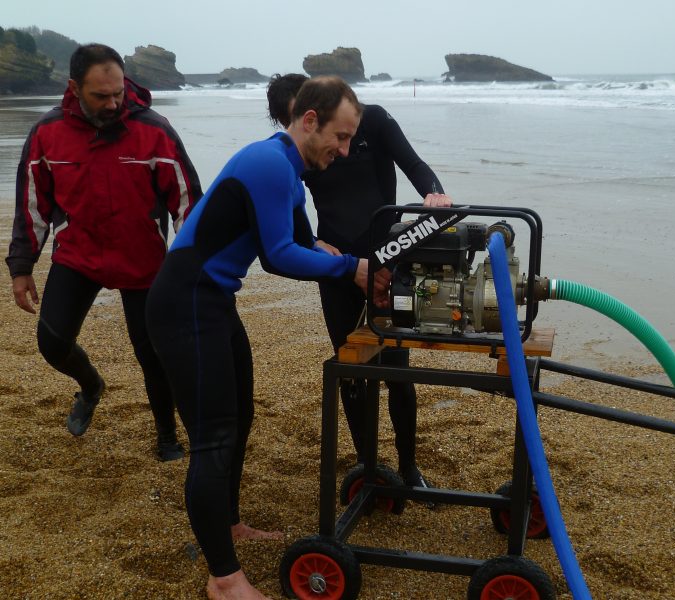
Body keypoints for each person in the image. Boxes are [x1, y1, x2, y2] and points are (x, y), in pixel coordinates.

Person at [145, 76, 384, 600]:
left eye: (350, 141)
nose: (343, 151)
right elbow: (279, 256)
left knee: (240, 417)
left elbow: (304, 242)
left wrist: (361, 263)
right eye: (339, 138)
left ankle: (227, 523)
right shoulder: (269, 164)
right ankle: (225, 580)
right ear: (309, 120)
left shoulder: (287, 172)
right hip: (186, 301)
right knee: (213, 437)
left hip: (210, 299)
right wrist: (351, 269)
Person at [5, 43, 202, 461]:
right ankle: (92, 384)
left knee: (154, 355)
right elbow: (32, 206)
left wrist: (194, 269)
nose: (114, 103)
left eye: (118, 92)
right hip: (78, 256)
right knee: (52, 343)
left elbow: (187, 204)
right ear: (74, 87)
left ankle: (167, 435)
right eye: (101, 96)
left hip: (143, 261)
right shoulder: (47, 133)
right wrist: (21, 267)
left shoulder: (154, 130)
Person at [267, 73, 452, 491]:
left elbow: (416, 165)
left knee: (397, 372)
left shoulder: (374, 121)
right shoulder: (295, 149)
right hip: (335, 266)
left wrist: (435, 195)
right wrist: (311, 241)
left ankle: (408, 467)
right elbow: (292, 205)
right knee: (352, 371)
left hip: (387, 260)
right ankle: (369, 468)